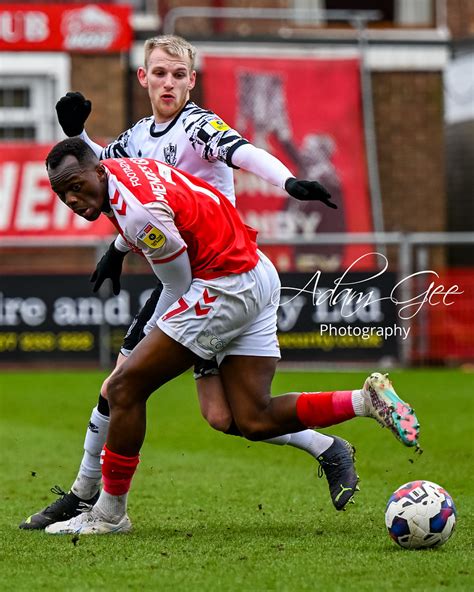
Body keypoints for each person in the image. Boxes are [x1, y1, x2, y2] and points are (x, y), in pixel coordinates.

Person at [19, 35, 353, 530]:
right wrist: (80, 133)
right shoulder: (135, 137)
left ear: (192, 80)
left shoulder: (198, 127)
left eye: (178, 74)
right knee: (226, 417)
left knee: (121, 384)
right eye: (159, 73)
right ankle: (328, 445)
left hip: (212, 275)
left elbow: (243, 153)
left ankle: (87, 498)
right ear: (144, 78)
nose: (168, 82)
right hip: (192, 272)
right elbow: (100, 169)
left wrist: (287, 182)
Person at [42, 139, 419, 535]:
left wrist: (137, 345)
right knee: (251, 418)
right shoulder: (122, 169)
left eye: (76, 185)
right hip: (255, 270)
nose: (71, 197)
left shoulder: (140, 214)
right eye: (61, 192)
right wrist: (119, 250)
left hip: (222, 286)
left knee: (123, 388)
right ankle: (365, 400)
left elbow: (177, 286)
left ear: (98, 171)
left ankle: (109, 514)